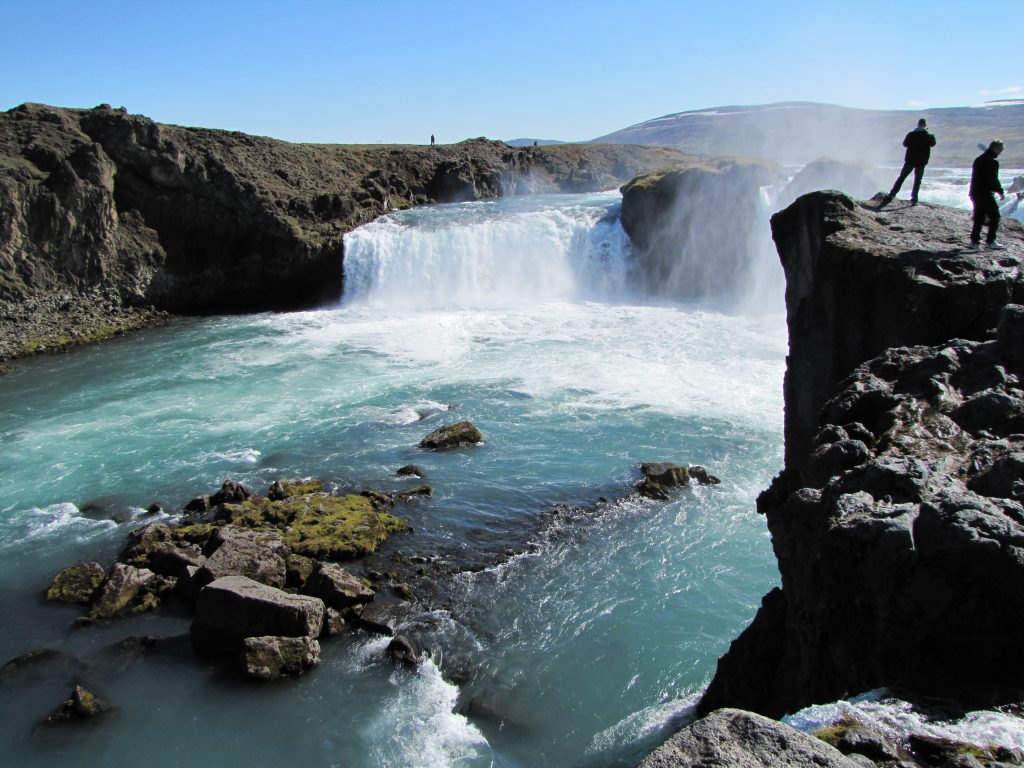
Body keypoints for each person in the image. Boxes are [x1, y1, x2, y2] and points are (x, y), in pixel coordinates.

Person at [882, 118, 936, 206]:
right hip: (921, 161)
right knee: (917, 180)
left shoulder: (911, 134)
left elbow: (905, 144)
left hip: (910, 160)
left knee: (902, 177)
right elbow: (933, 144)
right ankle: (914, 198)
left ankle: (892, 194)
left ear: (918, 124)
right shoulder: (929, 135)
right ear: (925, 125)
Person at [968, 140, 1006, 250]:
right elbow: (993, 178)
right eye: (1001, 149)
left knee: (979, 217)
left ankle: (974, 242)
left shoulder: (979, 159)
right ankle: (990, 241)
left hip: (975, 192)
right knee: (995, 216)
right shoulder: (992, 162)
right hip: (985, 193)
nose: (1001, 151)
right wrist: (999, 191)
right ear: (996, 148)